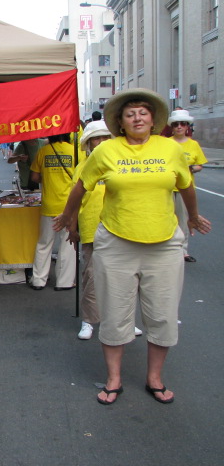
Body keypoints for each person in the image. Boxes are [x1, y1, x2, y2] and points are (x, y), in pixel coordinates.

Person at [54, 88, 211, 405]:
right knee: (114, 314)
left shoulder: (171, 149)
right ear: (121, 122)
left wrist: (193, 216)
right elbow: (81, 186)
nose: (137, 118)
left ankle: (155, 378)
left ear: (153, 120)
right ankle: (114, 378)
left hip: (164, 245)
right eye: (130, 114)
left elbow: (186, 185)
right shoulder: (106, 151)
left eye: (143, 113)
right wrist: (69, 218)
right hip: (115, 243)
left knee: (162, 315)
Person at [69, 121, 144, 341]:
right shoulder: (82, 167)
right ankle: (89, 320)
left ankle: (125, 321)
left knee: (124, 279)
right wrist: (72, 227)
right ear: (88, 143)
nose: (100, 142)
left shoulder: (121, 163)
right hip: (91, 228)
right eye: (96, 138)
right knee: (92, 277)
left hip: (121, 228)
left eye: (104, 137)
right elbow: (74, 200)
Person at [28, 134, 76, 291]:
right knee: (68, 244)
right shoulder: (75, 151)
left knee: (44, 243)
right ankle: (64, 282)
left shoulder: (43, 151)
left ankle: (38, 280)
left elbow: (34, 177)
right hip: (69, 206)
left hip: (49, 204)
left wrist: (48, 178)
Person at [167, 109, 208, 262]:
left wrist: (191, 168)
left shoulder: (193, 144)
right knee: (166, 217)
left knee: (184, 219)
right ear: (172, 127)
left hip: (184, 188)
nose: (179, 127)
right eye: (176, 124)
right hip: (167, 187)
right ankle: (166, 246)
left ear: (187, 127)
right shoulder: (166, 143)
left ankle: (183, 250)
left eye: (182, 124)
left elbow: (200, 165)